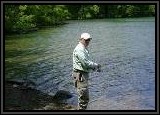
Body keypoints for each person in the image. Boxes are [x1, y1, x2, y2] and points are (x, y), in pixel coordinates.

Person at [72, 33, 101, 110]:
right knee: (84, 98)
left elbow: (85, 64)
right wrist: (96, 65)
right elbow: (85, 63)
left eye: (89, 40)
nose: (88, 41)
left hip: (81, 74)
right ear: (81, 39)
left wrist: (94, 68)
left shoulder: (83, 48)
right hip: (80, 75)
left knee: (82, 98)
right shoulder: (80, 49)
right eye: (86, 40)